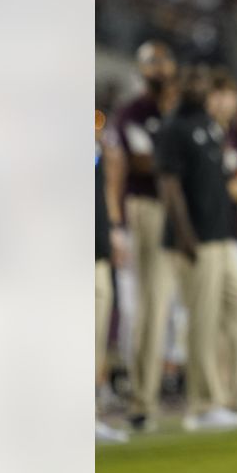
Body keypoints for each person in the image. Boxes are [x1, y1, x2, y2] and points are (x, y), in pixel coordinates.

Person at [156, 65, 237, 431]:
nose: (199, 86)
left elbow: (221, 181)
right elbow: (169, 186)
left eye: (203, 81)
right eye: (192, 80)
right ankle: (203, 406)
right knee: (203, 321)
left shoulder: (209, 125)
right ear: (181, 85)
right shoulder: (173, 127)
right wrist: (185, 236)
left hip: (221, 237)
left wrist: (235, 226)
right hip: (196, 241)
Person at [106, 40, 178, 432]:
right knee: (147, 308)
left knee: (166, 310)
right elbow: (133, 163)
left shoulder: (180, 110)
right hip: (147, 209)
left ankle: (208, 397)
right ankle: (141, 400)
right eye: (151, 61)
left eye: (164, 59)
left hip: (181, 214)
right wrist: (117, 222)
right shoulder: (132, 112)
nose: (159, 67)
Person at [96, 113, 129, 444]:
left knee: (95, 341)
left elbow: (104, 189)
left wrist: (115, 230)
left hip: (98, 251)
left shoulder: (97, 146)